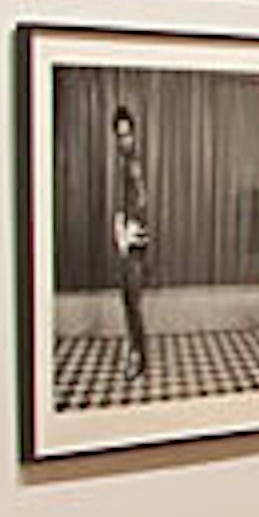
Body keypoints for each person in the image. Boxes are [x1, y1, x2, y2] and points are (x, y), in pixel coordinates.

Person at [109, 102, 154, 385]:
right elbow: (123, 202)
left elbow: (140, 200)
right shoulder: (124, 163)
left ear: (134, 134)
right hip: (127, 239)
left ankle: (138, 357)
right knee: (128, 300)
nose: (124, 140)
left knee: (132, 301)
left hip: (134, 241)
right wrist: (119, 230)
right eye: (120, 135)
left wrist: (130, 231)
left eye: (127, 134)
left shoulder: (134, 164)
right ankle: (137, 353)